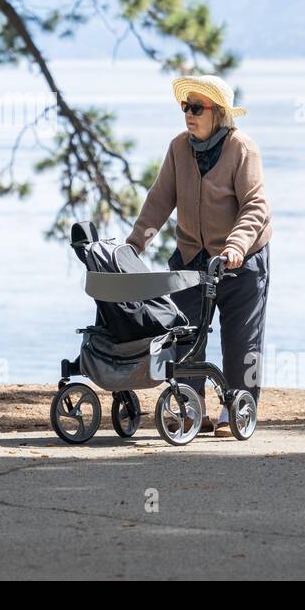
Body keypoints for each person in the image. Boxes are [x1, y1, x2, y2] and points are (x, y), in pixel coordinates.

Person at [126, 75, 272, 435]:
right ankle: (193, 409)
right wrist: (134, 246)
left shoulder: (242, 149)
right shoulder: (179, 149)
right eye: (185, 107)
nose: (188, 115)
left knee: (242, 339)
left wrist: (236, 246)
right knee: (185, 334)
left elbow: (255, 206)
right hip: (192, 258)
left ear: (218, 113)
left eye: (196, 108)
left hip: (241, 261)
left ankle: (238, 408)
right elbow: (159, 201)